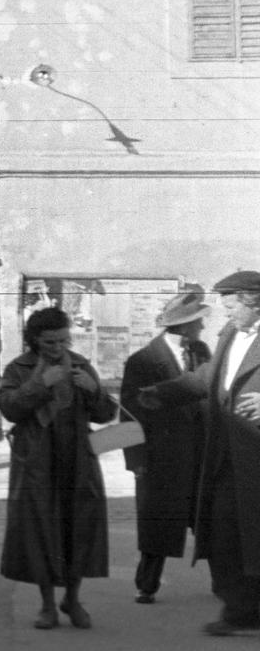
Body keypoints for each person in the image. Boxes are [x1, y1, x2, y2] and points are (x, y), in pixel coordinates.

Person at [138, 270, 260, 636]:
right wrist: (163, 392)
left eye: (232, 307)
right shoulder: (230, 335)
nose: (226, 315)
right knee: (224, 533)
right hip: (224, 453)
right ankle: (239, 611)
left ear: (253, 302)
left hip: (255, 455)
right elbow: (207, 377)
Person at [0, 306, 116, 631]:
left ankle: (72, 599)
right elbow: (9, 408)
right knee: (41, 530)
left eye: (63, 339)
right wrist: (40, 384)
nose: (58, 347)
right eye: (50, 342)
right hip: (36, 462)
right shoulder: (18, 368)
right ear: (35, 340)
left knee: (80, 527)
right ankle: (48, 605)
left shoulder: (79, 364)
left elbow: (106, 415)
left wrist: (94, 390)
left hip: (78, 459)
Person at [118, 286, 211, 604]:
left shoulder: (202, 353)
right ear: (184, 325)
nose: (202, 326)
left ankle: (224, 583)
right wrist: (136, 461)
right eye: (198, 321)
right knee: (158, 522)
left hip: (199, 454)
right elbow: (128, 415)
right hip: (161, 459)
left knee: (207, 521)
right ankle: (147, 584)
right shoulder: (142, 361)